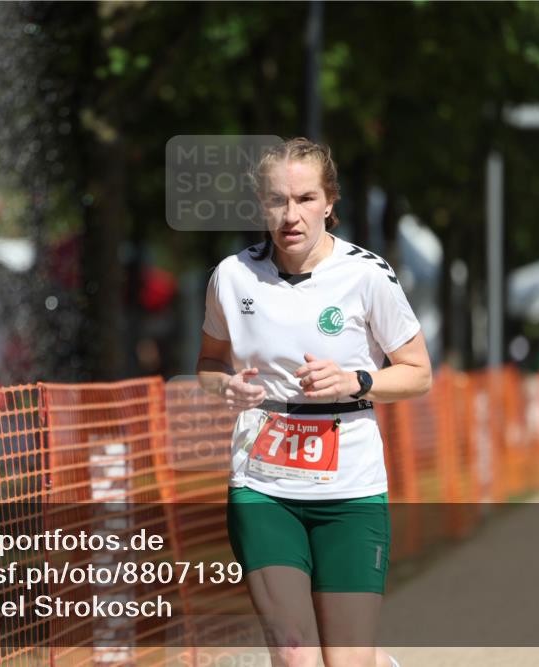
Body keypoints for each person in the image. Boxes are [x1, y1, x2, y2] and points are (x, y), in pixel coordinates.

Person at [196, 138, 432, 667]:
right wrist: (225, 387)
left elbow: (418, 374)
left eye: (305, 199)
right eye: (278, 200)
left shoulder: (367, 275)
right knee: (294, 652)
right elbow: (209, 365)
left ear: (329, 202)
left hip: (350, 486)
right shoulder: (231, 278)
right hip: (262, 484)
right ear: (261, 204)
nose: (291, 215)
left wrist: (356, 380)